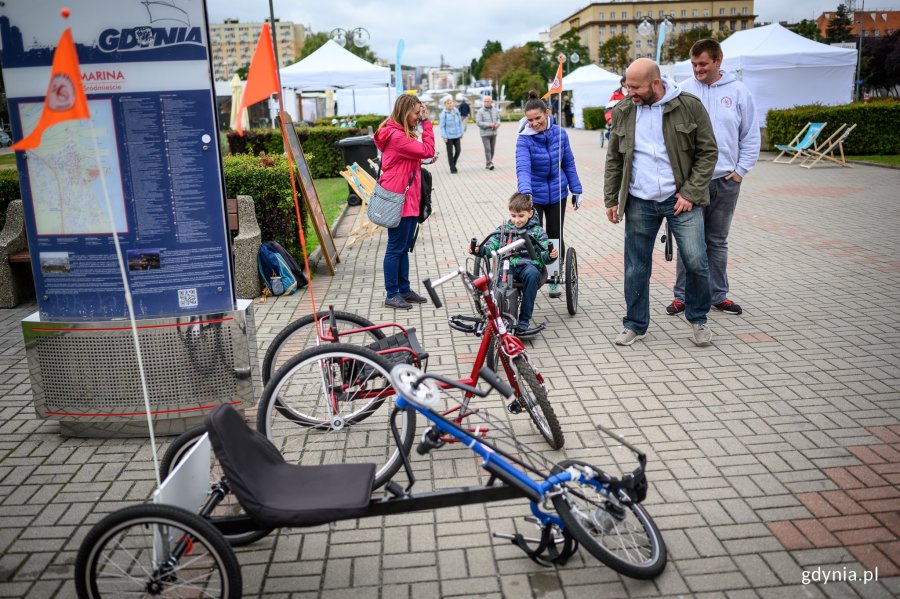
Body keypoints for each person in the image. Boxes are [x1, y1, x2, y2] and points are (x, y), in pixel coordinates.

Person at [604, 58, 718, 347]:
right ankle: (635, 324)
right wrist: (611, 198)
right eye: (626, 85)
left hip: (681, 199)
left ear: (655, 83)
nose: (629, 92)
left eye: (635, 86)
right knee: (635, 266)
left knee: (696, 260)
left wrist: (691, 192)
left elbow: (708, 152)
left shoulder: (688, 105)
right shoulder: (624, 111)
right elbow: (614, 159)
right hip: (640, 200)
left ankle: (698, 318)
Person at [667, 39, 760, 318]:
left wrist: (741, 170)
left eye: (703, 64)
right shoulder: (682, 91)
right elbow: (669, 135)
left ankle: (718, 295)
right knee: (688, 242)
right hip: (691, 184)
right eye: (694, 64)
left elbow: (750, 134)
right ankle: (682, 297)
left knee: (717, 241)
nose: (698, 69)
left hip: (725, 181)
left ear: (719, 61)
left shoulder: (739, 92)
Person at [515, 90, 582, 298]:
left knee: (554, 236)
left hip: (558, 193)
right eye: (530, 119)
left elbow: (568, 162)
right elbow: (523, 168)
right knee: (535, 237)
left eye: (538, 118)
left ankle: (553, 276)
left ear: (547, 114)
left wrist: (576, 189)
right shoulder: (524, 139)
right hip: (534, 196)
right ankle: (534, 273)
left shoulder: (560, 134)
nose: (534, 123)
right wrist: (526, 195)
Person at [374, 95, 435, 310]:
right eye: (417, 113)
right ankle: (392, 293)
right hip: (399, 198)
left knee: (404, 246)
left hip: (408, 197)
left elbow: (417, 155)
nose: (420, 117)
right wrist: (428, 124)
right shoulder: (397, 136)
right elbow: (426, 149)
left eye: (421, 113)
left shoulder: (400, 133)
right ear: (404, 112)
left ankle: (404, 289)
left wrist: (422, 157)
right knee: (395, 247)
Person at [466, 193, 558, 335]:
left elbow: (544, 252)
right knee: (498, 277)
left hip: (529, 265)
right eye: (513, 216)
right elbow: (491, 245)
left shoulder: (538, 231)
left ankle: (524, 321)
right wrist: (479, 250)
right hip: (508, 263)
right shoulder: (504, 229)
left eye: (521, 216)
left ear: (530, 213)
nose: (517, 220)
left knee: (532, 274)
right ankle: (495, 317)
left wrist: (550, 255)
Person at [439, 96, 464, 173]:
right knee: (450, 152)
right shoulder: (444, 114)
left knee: (458, 150)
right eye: (448, 103)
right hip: (448, 137)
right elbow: (442, 126)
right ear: (445, 105)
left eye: (451, 103)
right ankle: (452, 168)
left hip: (457, 135)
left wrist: (461, 133)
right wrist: (444, 136)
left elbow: (460, 123)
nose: (450, 104)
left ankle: (453, 163)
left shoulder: (456, 111)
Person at [475, 95, 500, 170]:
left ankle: (488, 162)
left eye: (488, 101)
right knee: (488, 149)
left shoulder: (495, 110)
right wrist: (489, 125)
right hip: (485, 134)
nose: (486, 102)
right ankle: (489, 163)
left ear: (491, 102)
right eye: (485, 101)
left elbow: (498, 119)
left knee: (492, 149)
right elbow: (478, 122)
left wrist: (498, 124)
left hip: (494, 133)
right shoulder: (480, 111)